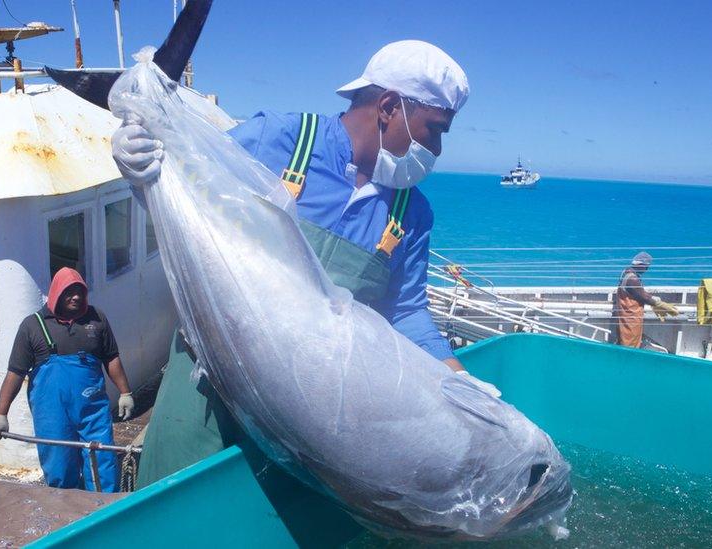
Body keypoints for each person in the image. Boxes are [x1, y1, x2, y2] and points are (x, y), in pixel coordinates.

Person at [112, 40, 499, 397]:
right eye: (434, 129)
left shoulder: (413, 214)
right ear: (388, 107)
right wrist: (140, 171)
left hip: (310, 405)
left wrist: (456, 378)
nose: (437, 148)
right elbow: (182, 196)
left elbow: (405, 310)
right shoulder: (277, 140)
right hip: (207, 384)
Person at [0, 267, 135, 492]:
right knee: (59, 467)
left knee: (103, 461)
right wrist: (0, 413)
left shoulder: (97, 319)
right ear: (56, 293)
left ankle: (104, 511)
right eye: (68, 291)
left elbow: (111, 358)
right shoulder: (32, 326)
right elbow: (15, 372)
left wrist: (125, 392)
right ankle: (66, 514)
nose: (75, 296)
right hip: (52, 415)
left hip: (93, 411)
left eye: (80, 291)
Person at [611, 252, 679, 348]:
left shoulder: (626, 272)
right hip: (631, 317)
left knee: (624, 340)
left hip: (626, 315)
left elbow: (638, 293)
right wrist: (660, 304)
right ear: (640, 265)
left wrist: (653, 300)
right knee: (630, 344)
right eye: (646, 267)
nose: (647, 269)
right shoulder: (633, 279)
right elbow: (643, 297)